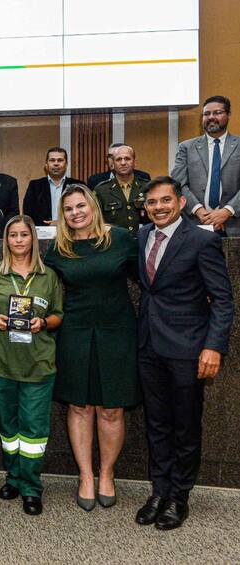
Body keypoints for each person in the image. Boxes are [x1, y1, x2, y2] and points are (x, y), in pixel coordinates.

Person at [134, 176, 233, 530]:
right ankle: (159, 491)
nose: (158, 207)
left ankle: (179, 497)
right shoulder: (143, 235)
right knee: (157, 425)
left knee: (185, 427)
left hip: (189, 349)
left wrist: (213, 346)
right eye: (152, 202)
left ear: (179, 202)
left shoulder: (202, 240)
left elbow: (223, 299)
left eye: (164, 201)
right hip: (148, 345)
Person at [44, 184, 139, 512]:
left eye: (80, 206)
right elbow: (43, 291)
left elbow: (150, 279)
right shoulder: (58, 249)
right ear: (63, 215)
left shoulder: (121, 240)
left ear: (93, 207)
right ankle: (85, 475)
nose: (76, 213)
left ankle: (107, 474)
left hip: (117, 331)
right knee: (80, 406)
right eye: (69, 209)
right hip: (75, 332)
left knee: (112, 408)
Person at [0, 216, 63, 516]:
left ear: (33, 239)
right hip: (0, 363)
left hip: (38, 364)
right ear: (6, 240)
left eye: (24, 235)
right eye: (13, 235)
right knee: (9, 428)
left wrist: (43, 322)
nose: (18, 240)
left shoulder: (48, 276)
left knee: (34, 430)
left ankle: (30, 486)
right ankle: (13, 477)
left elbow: (57, 315)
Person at [172, 95, 240, 235]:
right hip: (196, 223)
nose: (211, 117)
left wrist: (227, 211)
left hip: (234, 224)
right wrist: (198, 210)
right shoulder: (186, 147)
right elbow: (178, 184)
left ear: (228, 115)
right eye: (206, 114)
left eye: (217, 113)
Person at [94, 145, 149, 235]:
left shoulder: (147, 187)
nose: (123, 163)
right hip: (115, 243)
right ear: (112, 164)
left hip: (143, 241)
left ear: (134, 162)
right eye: (118, 159)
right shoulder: (101, 190)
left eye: (127, 159)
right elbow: (96, 221)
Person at [23, 148, 84, 226]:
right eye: (52, 160)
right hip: (42, 233)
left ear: (66, 164)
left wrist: (62, 223)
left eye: (60, 160)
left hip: (71, 231)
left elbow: (83, 212)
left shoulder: (78, 185)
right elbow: (28, 213)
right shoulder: (35, 186)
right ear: (46, 164)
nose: (56, 163)